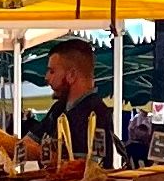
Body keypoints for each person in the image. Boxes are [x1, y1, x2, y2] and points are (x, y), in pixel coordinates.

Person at [43, 38, 115, 168]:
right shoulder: (58, 109)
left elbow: (90, 167)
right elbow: (28, 143)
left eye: (52, 71)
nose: (46, 78)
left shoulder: (96, 113)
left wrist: (53, 158)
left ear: (71, 75)